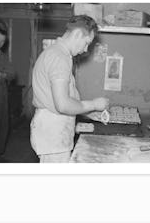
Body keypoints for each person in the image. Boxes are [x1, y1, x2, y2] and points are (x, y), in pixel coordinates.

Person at [30, 15, 109, 163]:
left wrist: (88, 113)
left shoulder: (56, 53)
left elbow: (63, 100)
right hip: (53, 133)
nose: (85, 49)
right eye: (86, 43)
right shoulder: (60, 57)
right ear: (78, 34)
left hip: (53, 130)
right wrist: (94, 104)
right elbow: (63, 105)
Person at [0, 20, 15, 162]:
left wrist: (2, 75)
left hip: (1, 94)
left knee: (2, 125)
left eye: (2, 41)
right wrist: (0, 74)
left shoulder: (2, 55)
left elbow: (12, 73)